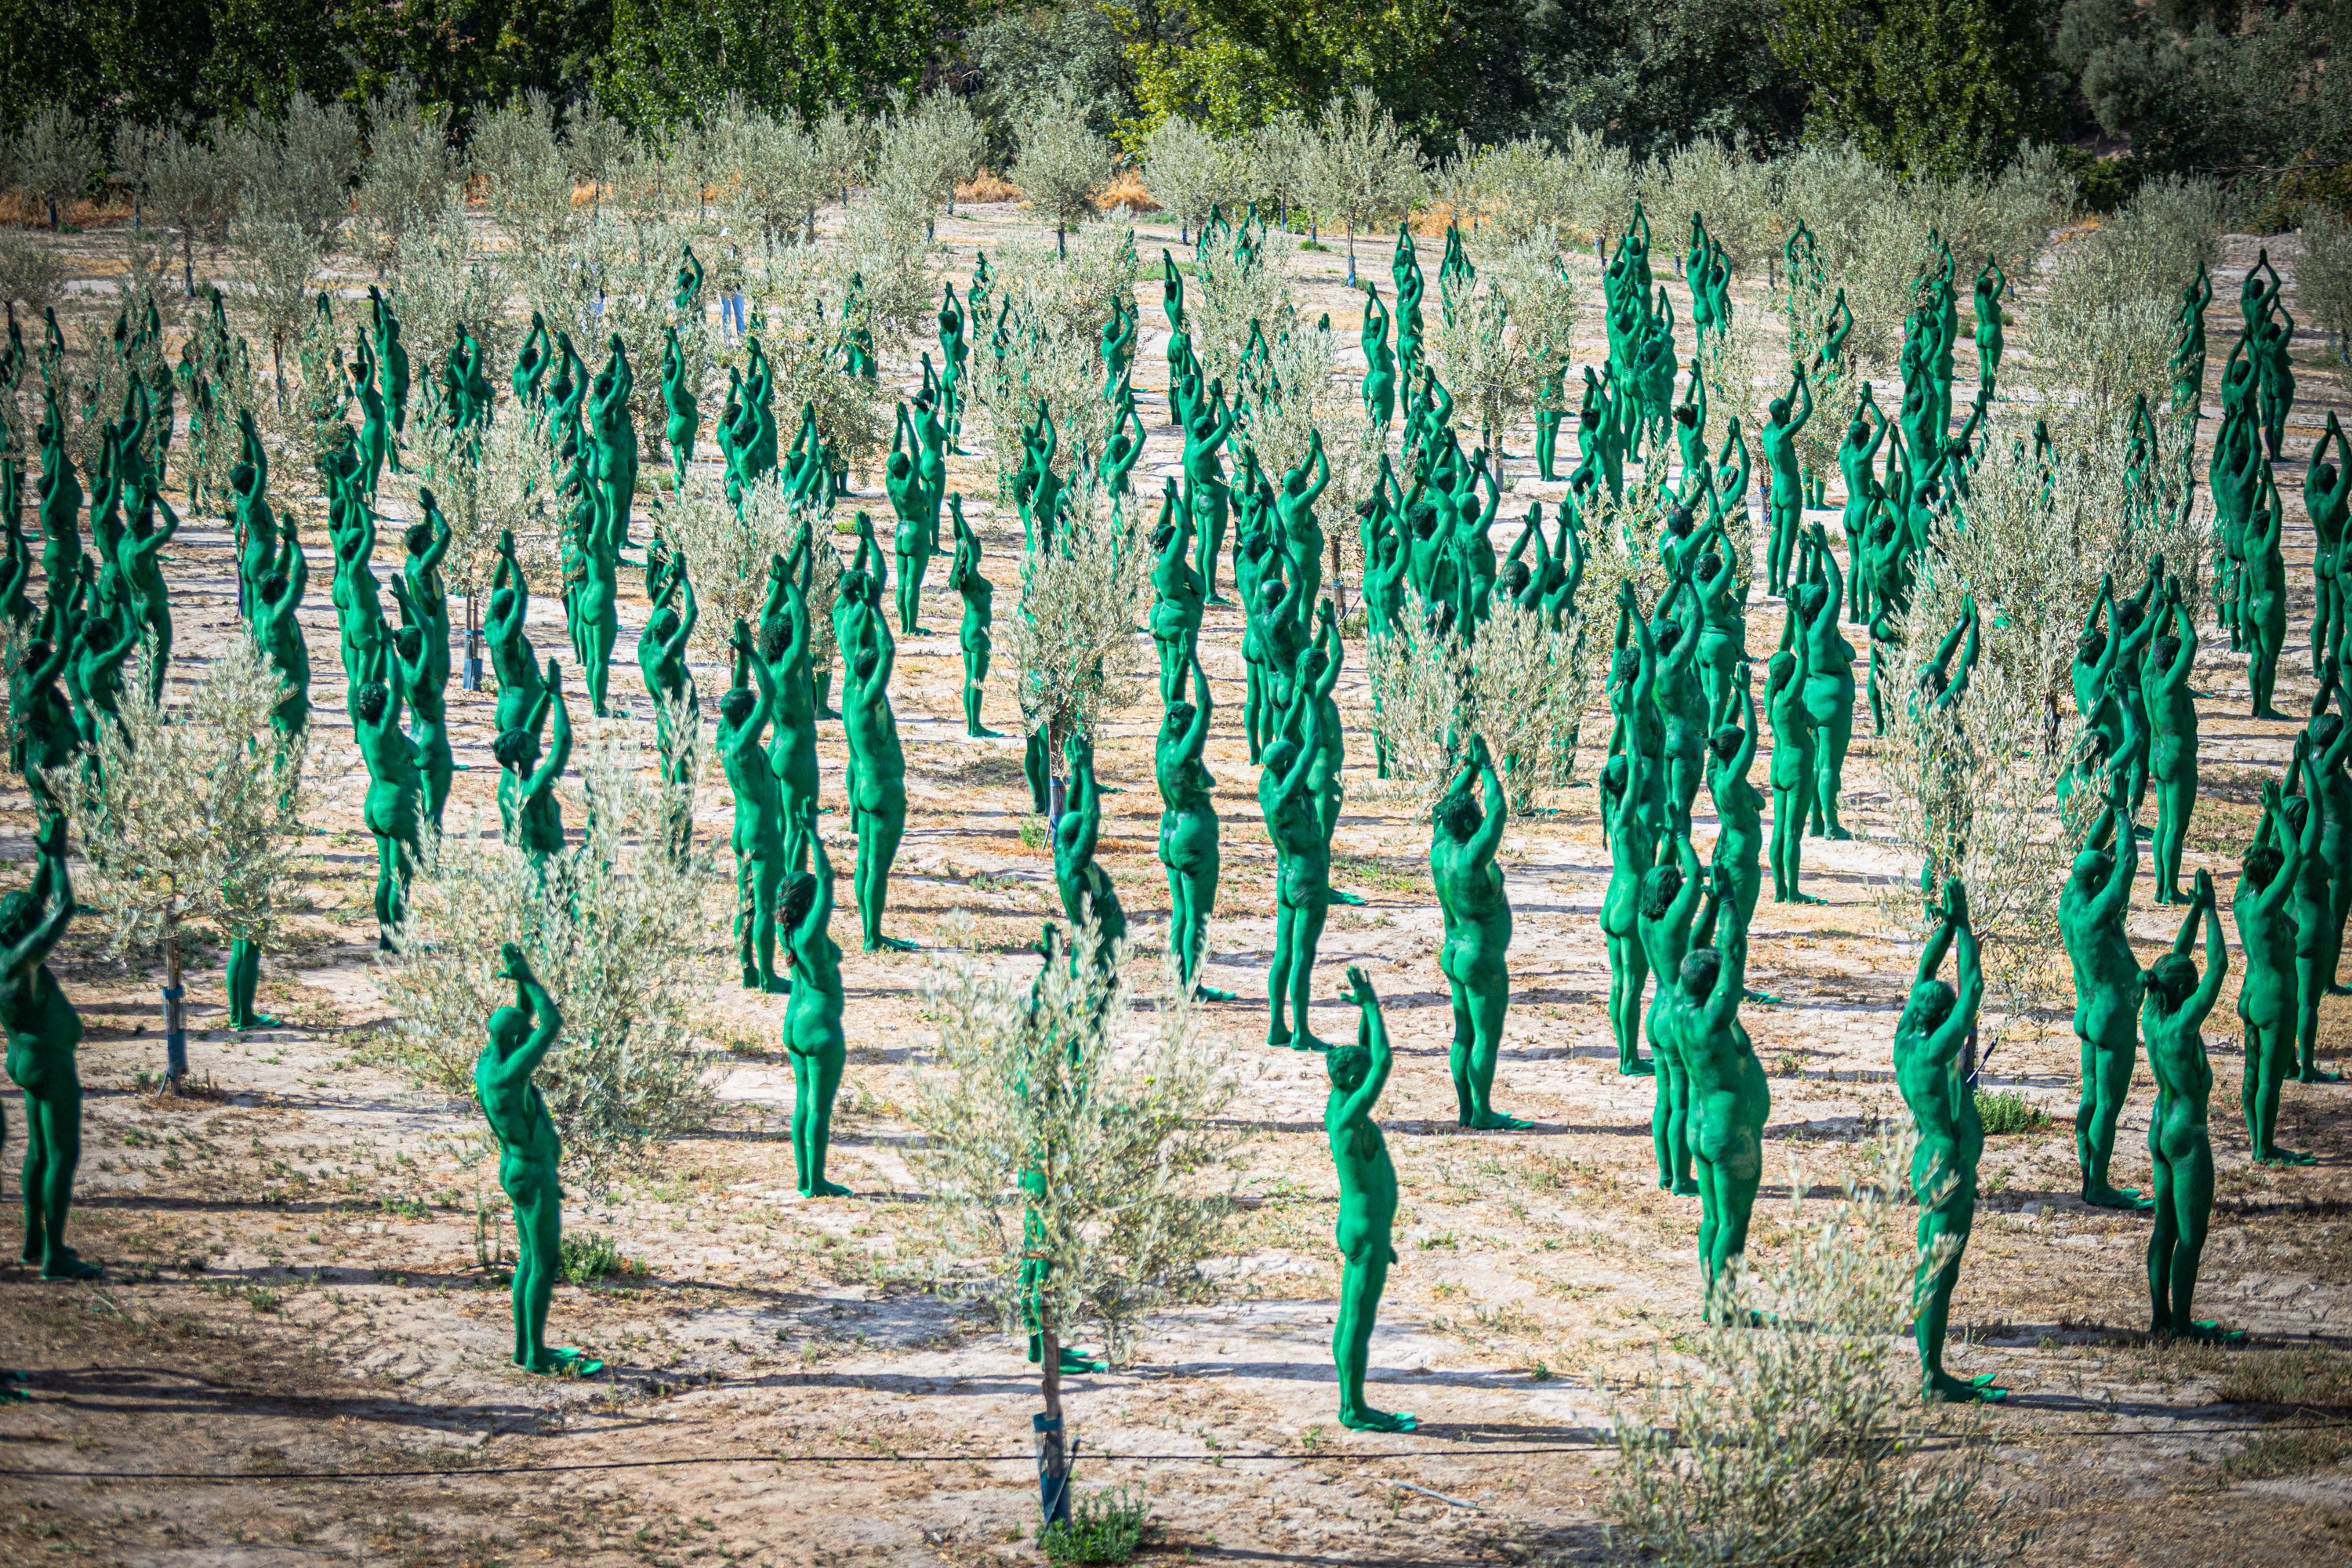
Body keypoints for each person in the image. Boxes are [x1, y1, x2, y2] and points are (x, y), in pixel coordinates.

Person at [1893, 879, 2005, 1402]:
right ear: (1941, 1023)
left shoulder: (1907, 1037)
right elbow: (1972, 993)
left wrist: (1943, 929)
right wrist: (1964, 927)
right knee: (1938, 1272)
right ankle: (1932, 1377)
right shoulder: (1935, 1052)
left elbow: (1925, 975)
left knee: (1933, 1266)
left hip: (1931, 1157)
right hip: (1946, 1165)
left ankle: (1933, 1369)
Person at [477, 944, 600, 1376]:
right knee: (544, 1263)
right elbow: (551, 1025)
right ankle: (537, 1356)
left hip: (517, 1167)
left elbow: (526, 1022)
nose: (529, 1040)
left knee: (529, 1259)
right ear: (513, 1042)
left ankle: (524, 1349)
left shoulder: (489, 1061)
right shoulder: (509, 1076)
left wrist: (518, 984)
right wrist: (528, 977)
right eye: (521, 1037)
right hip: (531, 1172)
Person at [2143, 870, 2240, 1342]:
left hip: (2159, 1123)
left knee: (2163, 1227)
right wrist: (2216, 911)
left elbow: (2172, 965)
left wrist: (2196, 912)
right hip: (2186, 1133)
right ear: (2184, 991)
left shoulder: (2153, 1011)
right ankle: (2182, 1325)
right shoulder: (2181, 1025)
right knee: (2191, 1234)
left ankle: (2159, 1316)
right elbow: (2218, 968)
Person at [2, 826, 100, 1279]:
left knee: (37, 1152)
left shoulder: (6, 954)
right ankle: (55, 1256)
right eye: (30, 920)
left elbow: (38, 903)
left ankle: (33, 1241)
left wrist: (45, 856)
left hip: (24, 1059)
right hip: (50, 1063)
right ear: (21, 930)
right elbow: (63, 909)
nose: (36, 920)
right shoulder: (21, 961)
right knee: (63, 1154)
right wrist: (61, 860)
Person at [1325, 967, 1416, 1433]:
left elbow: (1364, 1059)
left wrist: (1361, 1010)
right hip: (1363, 1232)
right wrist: (1373, 1004)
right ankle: (1353, 1409)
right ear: (1352, 1080)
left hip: (1364, 1227)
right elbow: (1382, 1063)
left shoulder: (1338, 1101)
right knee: (1358, 1323)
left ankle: (1351, 1403)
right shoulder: (1348, 1119)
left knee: (1351, 1316)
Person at [1430, 735, 1528, 1131]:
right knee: (1485, 1037)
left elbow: (1445, 807)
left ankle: (1466, 1109)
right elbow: (1499, 812)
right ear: (1470, 823)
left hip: (1452, 952)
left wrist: (1468, 768)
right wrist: (1487, 768)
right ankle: (1484, 1111)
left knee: (1462, 1034)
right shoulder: (1473, 856)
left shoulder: (1440, 845)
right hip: (1481, 956)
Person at [2060, 794, 2151, 1210]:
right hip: (2112, 1015)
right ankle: (2098, 1186)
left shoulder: (2070, 900)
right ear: (2099, 882)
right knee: (2107, 1107)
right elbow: (2128, 867)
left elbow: (2088, 854)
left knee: (2091, 1099)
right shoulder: (2097, 911)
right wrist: (2122, 815)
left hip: (2088, 1009)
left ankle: (2087, 1177)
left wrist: (2105, 812)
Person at [2234, 781, 2315, 1165]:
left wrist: (2267, 816)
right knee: (2269, 1078)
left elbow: (2253, 854)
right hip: (2274, 999)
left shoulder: (2242, 899)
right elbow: (2296, 856)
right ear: (2272, 880)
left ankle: (2256, 1142)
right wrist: (2280, 812)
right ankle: (2264, 1148)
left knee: (2252, 1075)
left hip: (2250, 995)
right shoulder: (2267, 907)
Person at [782, 808, 851, 1198]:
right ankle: (817, 1180)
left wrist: (799, 836)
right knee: (818, 1107)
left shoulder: (785, 924)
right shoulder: (809, 933)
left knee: (801, 1102)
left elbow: (795, 879)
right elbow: (824, 879)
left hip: (794, 1021)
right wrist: (814, 834)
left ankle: (803, 1178)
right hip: (820, 1027)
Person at [720, 620, 789, 993]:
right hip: (763, 835)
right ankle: (767, 976)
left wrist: (741, 662)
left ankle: (746, 968)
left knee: (744, 904)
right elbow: (767, 694)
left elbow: (739, 694)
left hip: (741, 831)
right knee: (764, 907)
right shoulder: (746, 746)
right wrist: (751, 653)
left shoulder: (725, 737)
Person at [1639, 829, 1706, 1195]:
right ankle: (1681, 1179)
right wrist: (1681, 835)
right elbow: (1695, 877)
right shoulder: (1671, 925)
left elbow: (1659, 878)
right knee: (1682, 1101)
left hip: (1655, 1013)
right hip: (1676, 1015)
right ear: (1671, 895)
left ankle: (1666, 1173)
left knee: (1664, 1099)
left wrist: (1667, 842)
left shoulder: (1644, 919)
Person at [1261, 688, 1329, 1050]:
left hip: (1285, 877)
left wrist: (1298, 698)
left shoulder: (1267, 787)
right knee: (1302, 957)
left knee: (1283, 953)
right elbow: (1313, 742)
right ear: (1288, 766)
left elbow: (1286, 738)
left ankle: (1277, 1027)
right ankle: (1301, 1032)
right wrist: (1310, 697)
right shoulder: (1289, 792)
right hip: (1307, 878)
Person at [1156, 653, 1226, 999]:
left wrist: (1182, 662)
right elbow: (1206, 706)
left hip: (1168, 833)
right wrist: (1198, 662)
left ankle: (1180, 980)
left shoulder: (1162, 745)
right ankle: (1192, 986)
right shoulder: (1183, 753)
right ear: (1186, 726)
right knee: (1197, 917)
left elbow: (1175, 699)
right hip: (1192, 836)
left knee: (1180, 913)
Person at [946, 499, 998, 737]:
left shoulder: (961, 574)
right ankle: (975, 726)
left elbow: (961, 542)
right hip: (978, 632)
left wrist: (956, 519)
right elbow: (966, 541)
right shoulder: (973, 575)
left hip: (966, 629)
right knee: (977, 680)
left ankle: (971, 725)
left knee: (970, 678)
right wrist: (960, 515)